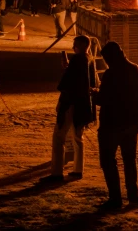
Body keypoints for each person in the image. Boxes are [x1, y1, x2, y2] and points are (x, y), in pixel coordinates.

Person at [94, 41, 138, 210]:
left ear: (111, 57)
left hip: (112, 124)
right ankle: (133, 194)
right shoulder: (135, 69)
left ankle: (115, 199)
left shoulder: (112, 74)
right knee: (130, 160)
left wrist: (93, 93)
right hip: (132, 124)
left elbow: (103, 99)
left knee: (109, 161)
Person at [40, 35, 97, 183]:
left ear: (82, 46)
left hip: (71, 103)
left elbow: (66, 84)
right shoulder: (89, 59)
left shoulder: (77, 60)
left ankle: (56, 173)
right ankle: (78, 170)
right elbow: (92, 82)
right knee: (78, 137)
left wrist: (67, 69)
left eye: (75, 45)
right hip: (84, 105)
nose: (73, 47)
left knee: (59, 137)